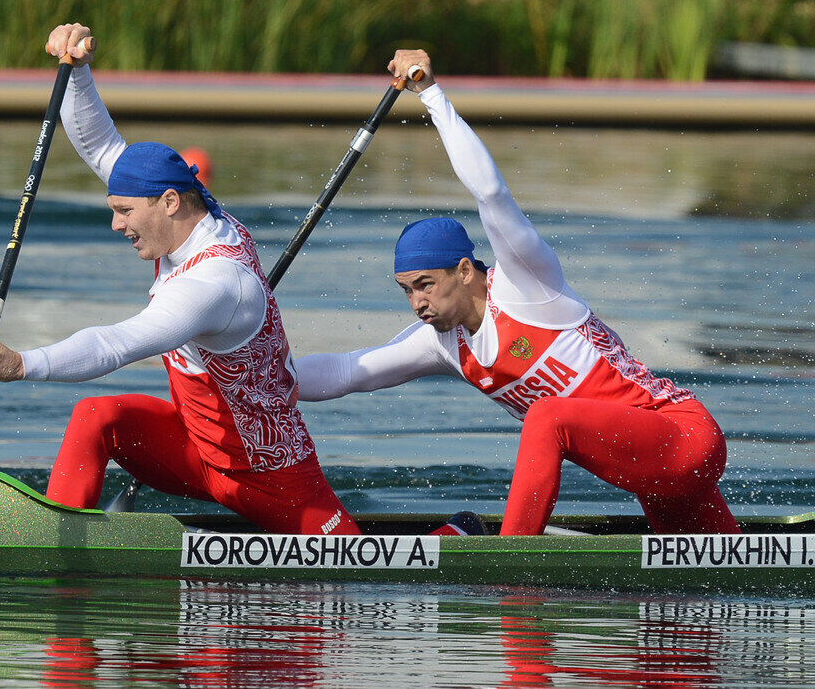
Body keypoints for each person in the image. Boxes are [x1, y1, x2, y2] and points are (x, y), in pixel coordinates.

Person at [294, 49, 742, 537]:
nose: (417, 302)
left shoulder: (527, 284)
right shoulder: (441, 342)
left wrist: (431, 96)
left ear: (465, 270)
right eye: (406, 290)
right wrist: (241, 377)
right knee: (690, 604)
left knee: (547, 418)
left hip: (686, 438)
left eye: (426, 285)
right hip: (650, 477)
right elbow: (343, 372)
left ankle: (510, 560)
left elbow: (491, 194)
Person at [0, 23, 361, 535]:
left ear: (169, 202)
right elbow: (99, 143)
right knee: (96, 418)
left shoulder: (216, 285)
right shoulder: (181, 213)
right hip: (194, 449)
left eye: (123, 211)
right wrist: (77, 71)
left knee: (345, 598)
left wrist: (22, 364)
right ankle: (58, 540)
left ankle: (457, 531)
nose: (115, 224)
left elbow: (115, 344)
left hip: (270, 475)